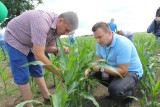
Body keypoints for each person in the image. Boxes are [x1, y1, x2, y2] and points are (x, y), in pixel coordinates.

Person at [4, 10, 78, 107]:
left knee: (37, 69)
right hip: (15, 39)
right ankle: (29, 105)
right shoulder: (42, 22)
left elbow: (46, 47)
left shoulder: (56, 29)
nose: (66, 33)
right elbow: (39, 55)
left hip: (31, 43)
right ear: (60, 21)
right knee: (22, 74)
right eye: (66, 30)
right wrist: (59, 73)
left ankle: (47, 97)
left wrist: (58, 49)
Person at [84, 22, 143, 107]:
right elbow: (99, 61)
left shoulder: (122, 44)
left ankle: (128, 95)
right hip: (113, 69)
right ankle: (116, 87)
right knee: (93, 73)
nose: (97, 41)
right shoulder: (100, 44)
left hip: (130, 72)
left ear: (108, 32)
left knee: (116, 89)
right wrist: (89, 68)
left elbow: (123, 71)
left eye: (100, 37)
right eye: (96, 38)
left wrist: (101, 68)